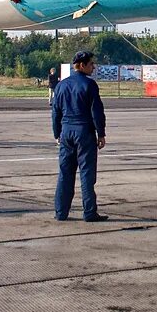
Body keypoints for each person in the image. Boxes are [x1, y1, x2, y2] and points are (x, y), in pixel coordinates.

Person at [52, 51, 108, 222]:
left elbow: (55, 112)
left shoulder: (61, 85)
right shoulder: (89, 85)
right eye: (91, 64)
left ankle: (61, 212)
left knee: (65, 173)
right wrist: (101, 133)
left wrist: (57, 133)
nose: (94, 67)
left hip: (66, 132)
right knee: (86, 174)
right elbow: (97, 111)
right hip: (84, 131)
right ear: (82, 65)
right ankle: (89, 212)